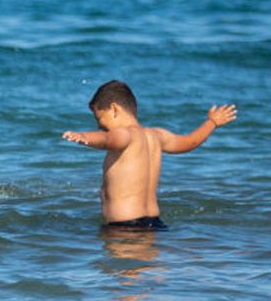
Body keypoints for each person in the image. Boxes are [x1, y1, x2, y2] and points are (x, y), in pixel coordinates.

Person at [62, 81, 237, 229]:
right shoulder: (157, 135)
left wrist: (84, 137)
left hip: (125, 227)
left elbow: (106, 139)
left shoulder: (124, 134)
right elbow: (189, 142)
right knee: (146, 267)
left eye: (99, 118)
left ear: (115, 109)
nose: (99, 125)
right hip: (154, 224)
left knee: (116, 269)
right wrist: (212, 122)